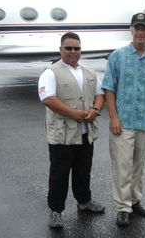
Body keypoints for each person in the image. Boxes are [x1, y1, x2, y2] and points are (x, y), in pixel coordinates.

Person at [101, 13, 145, 227]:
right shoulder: (117, 56)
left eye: (144, 28)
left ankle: (135, 200)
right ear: (131, 30)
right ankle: (123, 207)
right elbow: (109, 88)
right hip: (123, 123)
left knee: (138, 166)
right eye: (136, 27)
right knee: (122, 166)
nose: (140, 32)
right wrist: (114, 118)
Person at [38, 32, 105, 228]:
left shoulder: (90, 72)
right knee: (59, 175)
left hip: (86, 133)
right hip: (62, 136)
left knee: (83, 171)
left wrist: (95, 109)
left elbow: (100, 94)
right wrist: (74, 113)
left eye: (77, 48)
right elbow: (48, 99)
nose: (73, 52)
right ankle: (56, 211)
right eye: (69, 48)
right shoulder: (51, 72)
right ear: (60, 50)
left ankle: (84, 202)